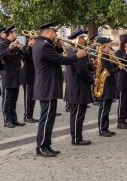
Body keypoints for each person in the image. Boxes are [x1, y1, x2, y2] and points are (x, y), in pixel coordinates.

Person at [33, 21, 86, 157]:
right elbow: (61, 60)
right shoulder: (44, 46)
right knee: (46, 119)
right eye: (54, 32)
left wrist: (58, 46)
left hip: (47, 86)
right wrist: (77, 56)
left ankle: (46, 145)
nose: (56, 34)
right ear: (47, 32)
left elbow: (53, 58)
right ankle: (42, 147)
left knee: (49, 118)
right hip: (47, 87)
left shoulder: (44, 44)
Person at [65, 29, 94, 145]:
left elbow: (84, 67)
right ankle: (77, 138)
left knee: (79, 114)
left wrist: (91, 64)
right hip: (78, 87)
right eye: (83, 38)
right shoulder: (75, 52)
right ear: (77, 39)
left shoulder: (74, 51)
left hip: (78, 87)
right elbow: (81, 70)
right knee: (77, 114)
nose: (85, 40)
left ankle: (77, 136)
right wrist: (92, 80)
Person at [0, 25, 26, 128]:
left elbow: (23, 56)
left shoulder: (15, 44)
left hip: (16, 75)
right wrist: (9, 48)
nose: (17, 34)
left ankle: (14, 119)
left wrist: (21, 48)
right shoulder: (2, 44)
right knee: (7, 98)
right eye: (15, 32)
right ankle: (7, 120)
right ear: (10, 33)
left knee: (14, 98)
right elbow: (0, 56)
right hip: (8, 75)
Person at [97, 37, 124, 137]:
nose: (110, 48)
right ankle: (102, 129)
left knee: (107, 109)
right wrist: (119, 68)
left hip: (109, 85)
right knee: (103, 108)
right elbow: (108, 71)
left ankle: (105, 127)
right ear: (103, 47)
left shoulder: (107, 56)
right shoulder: (102, 57)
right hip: (105, 85)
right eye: (108, 47)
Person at [21, 35, 38, 123]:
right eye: (31, 39)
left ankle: (30, 115)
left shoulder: (36, 48)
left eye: (34, 39)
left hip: (34, 76)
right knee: (28, 97)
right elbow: (25, 58)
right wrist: (30, 48)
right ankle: (27, 116)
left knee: (33, 97)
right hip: (27, 76)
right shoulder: (24, 48)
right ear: (28, 40)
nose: (33, 41)